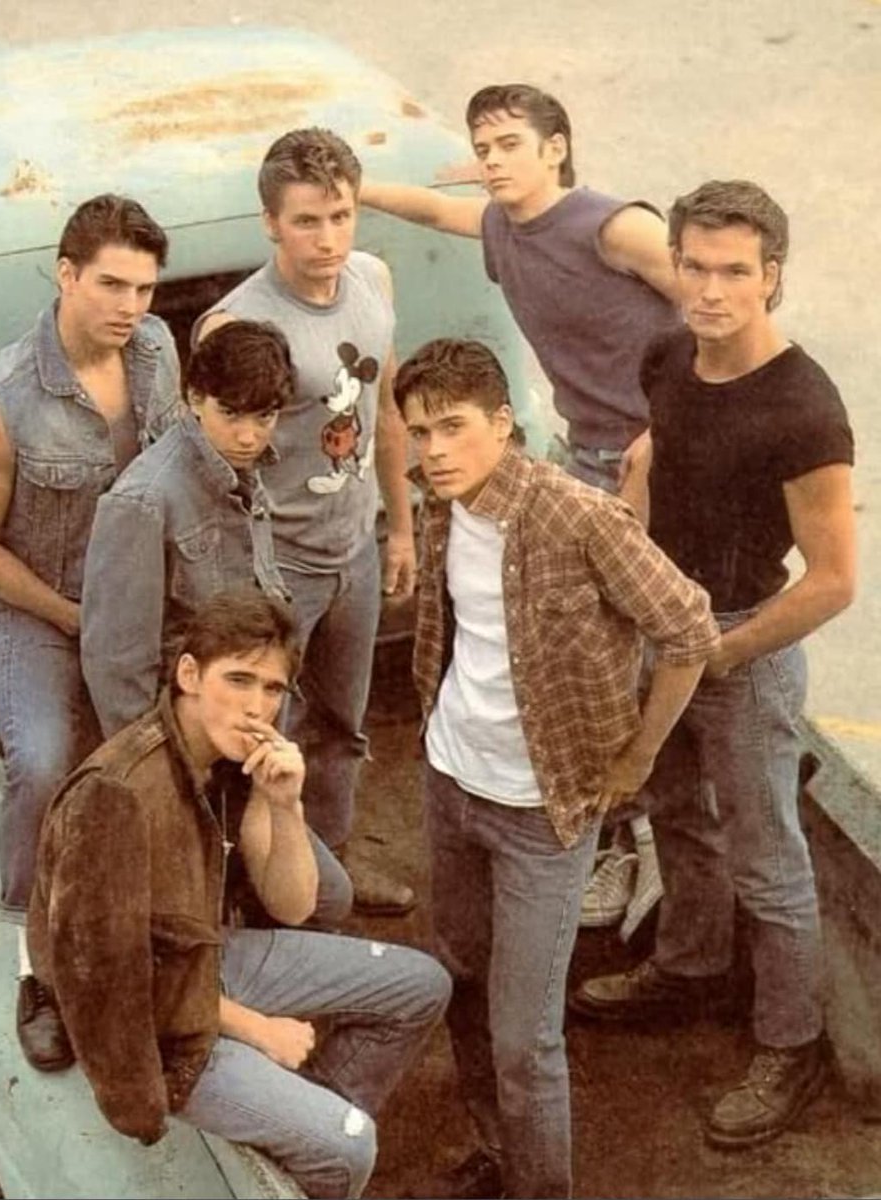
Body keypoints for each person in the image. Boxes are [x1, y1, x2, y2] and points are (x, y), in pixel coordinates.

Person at [395, 338, 719, 1198]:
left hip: (544, 814)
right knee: (459, 977)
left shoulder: (579, 517)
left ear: (504, 424)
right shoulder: (440, 508)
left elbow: (688, 628)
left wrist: (638, 755)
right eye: (419, 432)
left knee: (524, 1037)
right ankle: (493, 1149)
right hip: (449, 781)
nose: (434, 450)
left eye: (453, 427)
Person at [571, 180, 856, 1150]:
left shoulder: (803, 409)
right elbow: (658, 441)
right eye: (692, 265)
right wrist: (635, 517)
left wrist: (718, 652)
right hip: (664, 629)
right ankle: (690, 970)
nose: (709, 289)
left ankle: (791, 1042)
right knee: (673, 815)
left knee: (767, 861)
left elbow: (829, 583)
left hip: (739, 647)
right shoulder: (666, 355)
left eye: (733, 271)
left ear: (770, 277)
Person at [362, 83, 683, 933]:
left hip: (655, 454)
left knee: (650, 646)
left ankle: (653, 851)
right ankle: (622, 837)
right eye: (485, 146)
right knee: (584, 645)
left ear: (557, 147)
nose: (495, 159)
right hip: (584, 452)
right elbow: (435, 211)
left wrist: (671, 424)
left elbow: (716, 305)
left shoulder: (616, 226)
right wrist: (353, 190)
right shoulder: (504, 226)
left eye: (512, 143)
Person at [26, 590, 451, 1200]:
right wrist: (258, 1031)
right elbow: (112, 983)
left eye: (273, 690)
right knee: (350, 1144)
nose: (257, 708)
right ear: (189, 675)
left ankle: (295, 1134)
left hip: (207, 962)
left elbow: (294, 905)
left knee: (420, 986)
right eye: (239, 680)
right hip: (162, 1027)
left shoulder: (227, 760)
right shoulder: (118, 795)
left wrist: (283, 803)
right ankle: (315, 1137)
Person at [0, 194, 183, 1070]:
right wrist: (78, 621)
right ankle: (34, 966)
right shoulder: (0, 403)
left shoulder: (157, 354)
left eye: (147, 289)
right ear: (66, 274)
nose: (131, 308)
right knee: (45, 764)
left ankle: (175, 934)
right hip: (38, 614)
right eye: (111, 285)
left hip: (138, 603)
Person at [194, 127, 417, 916]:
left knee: (342, 725)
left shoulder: (374, 281)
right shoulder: (235, 325)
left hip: (353, 549)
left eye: (342, 217)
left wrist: (400, 528)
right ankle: (254, 892)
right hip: (275, 565)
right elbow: (209, 462)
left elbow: (386, 410)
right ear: (269, 223)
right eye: (306, 222)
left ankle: (332, 876)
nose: (328, 240)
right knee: (256, 736)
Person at [81, 318, 353, 927]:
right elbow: (116, 668)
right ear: (193, 397)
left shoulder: (246, 470)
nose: (250, 434)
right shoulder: (145, 501)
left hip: (243, 748)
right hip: (186, 762)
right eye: (233, 414)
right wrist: (172, 790)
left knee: (325, 898)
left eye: (265, 417)